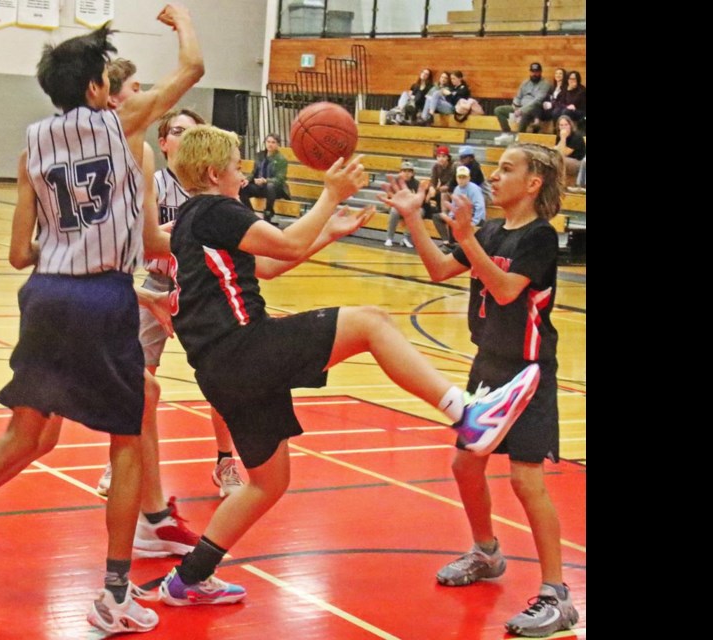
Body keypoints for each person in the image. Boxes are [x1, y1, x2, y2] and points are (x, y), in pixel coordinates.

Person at [0, 8, 205, 635]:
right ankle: (116, 593)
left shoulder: (32, 143)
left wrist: (66, 237)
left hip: (45, 294)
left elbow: (18, 253)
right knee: (130, 436)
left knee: (28, 434)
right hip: (100, 297)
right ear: (96, 90)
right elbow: (192, 66)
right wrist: (182, 17)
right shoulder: (118, 127)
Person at [156, 124, 541, 606]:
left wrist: (328, 231)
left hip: (220, 369)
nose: (244, 173)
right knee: (370, 322)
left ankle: (187, 580)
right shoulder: (216, 208)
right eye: (237, 165)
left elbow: (270, 265)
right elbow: (287, 246)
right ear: (215, 173)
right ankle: (465, 412)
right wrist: (329, 196)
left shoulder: (194, 219)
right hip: (244, 347)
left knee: (268, 483)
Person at [381, 142, 580, 638]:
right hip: (487, 364)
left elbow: (509, 288)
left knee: (525, 480)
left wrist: (468, 239)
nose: (495, 175)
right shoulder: (490, 230)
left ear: (533, 183)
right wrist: (413, 219)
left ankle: (557, 595)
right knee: (464, 463)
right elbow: (438, 269)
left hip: (529, 371)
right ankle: (487, 552)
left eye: (506, 169)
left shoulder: (538, 236)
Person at [96, 103, 246, 508]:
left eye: (194, 131)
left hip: (204, 289)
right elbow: (133, 239)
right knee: (137, 380)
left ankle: (226, 462)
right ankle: (121, 459)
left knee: (222, 383)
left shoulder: (220, 188)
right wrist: (170, 232)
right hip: (157, 284)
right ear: (163, 143)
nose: (185, 138)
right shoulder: (154, 184)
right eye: (177, 131)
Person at [238, 133, 291, 224]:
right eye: (268, 142)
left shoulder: (281, 159)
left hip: (275, 189)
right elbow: (254, 172)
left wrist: (265, 181)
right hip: (260, 186)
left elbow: (280, 179)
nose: (270, 144)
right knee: (242, 187)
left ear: (277, 144)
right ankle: (251, 214)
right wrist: (247, 180)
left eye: (273, 142)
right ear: (265, 143)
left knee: (270, 186)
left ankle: (268, 213)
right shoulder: (260, 156)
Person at [434, 164, 485, 251]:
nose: (461, 180)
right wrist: (449, 217)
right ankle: (448, 243)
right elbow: (453, 206)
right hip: (461, 215)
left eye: (464, 177)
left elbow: (480, 207)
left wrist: (474, 222)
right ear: (456, 178)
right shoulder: (457, 189)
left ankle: (453, 243)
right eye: (459, 177)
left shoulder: (474, 189)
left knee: (455, 218)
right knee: (438, 217)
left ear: (468, 178)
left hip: (472, 217)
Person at [494, 62, 552, 133]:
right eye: (532, 72)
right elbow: (518, 96)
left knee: (525, 113)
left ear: (540, 72)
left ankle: (519, 136)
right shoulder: (525, 83)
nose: (534, 74)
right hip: (519, 107)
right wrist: (515, 106)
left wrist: (522, 110)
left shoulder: (545, 84)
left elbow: (538, 100)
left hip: (533, 110)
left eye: (536, 72)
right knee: (499, 110)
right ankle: (506, 132)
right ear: (530, 72)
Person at [383, 160, 420, 248]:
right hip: (398, 206)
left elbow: (418, 200)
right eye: (404, 171)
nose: (407, 173)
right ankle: (389, 238)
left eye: (409, 171)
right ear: (400, 172)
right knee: (394, 211)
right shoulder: (395, 182)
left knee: (420, 212)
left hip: (410, 208)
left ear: (413, 173)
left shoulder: (416, 184)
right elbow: (390, 199)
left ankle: (406, 238)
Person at [553, 114, 586, 184]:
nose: (563, 127)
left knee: (560, 161)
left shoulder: (576, 137)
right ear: (558, 127)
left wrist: (563, 138)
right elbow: (556, 151)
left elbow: (563, 153)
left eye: (566, 125)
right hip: (566, 159)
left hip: (578, 163)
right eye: (561, 125)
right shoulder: (560, 136)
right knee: (552, 159)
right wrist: (562, 138)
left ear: (570, 125)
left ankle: (561, 184)